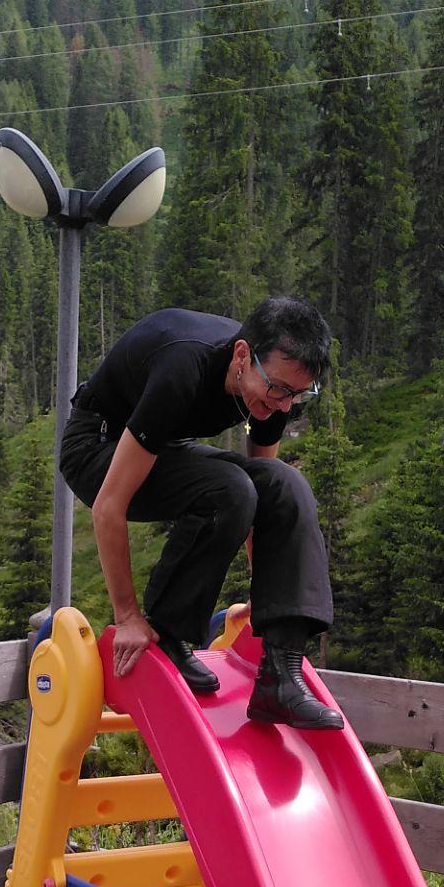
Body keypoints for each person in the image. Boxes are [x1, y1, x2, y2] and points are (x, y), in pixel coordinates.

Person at [59, 296, 344, 731]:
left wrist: (264, 595)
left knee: (286, 484)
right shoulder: (183, 368)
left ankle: (281, 676)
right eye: (279, 390)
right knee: (230, 489)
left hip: (163, 444)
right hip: (94, 446)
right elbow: (108, 506)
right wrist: (128, 617)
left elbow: (267, 503)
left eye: (298, 394)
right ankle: (168, 635)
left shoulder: (272, 391)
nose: (286, 405)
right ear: (242, 356)